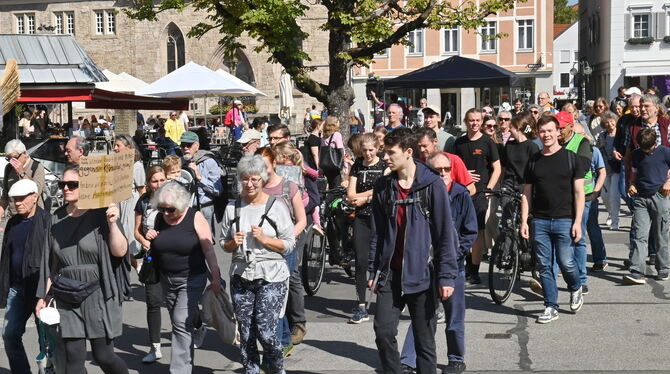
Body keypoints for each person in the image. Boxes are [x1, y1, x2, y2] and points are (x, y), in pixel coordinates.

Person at [369, 127, 459, 374]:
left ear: (408, 152)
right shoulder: (383, 186)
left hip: (423, 274)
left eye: (390, 152)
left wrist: (447, 276)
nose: (384, 157)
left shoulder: (432, 186)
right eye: (383, 152)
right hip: (391, 275)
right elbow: (377, 232)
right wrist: (372, 269)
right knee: (383, 332)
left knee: (424, 341)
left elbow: (445, 235)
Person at [35, 165, 130, 374]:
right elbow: (52, 265)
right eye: (62, 185)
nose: (66, 188)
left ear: (85, 186)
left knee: (104, 356)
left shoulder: (101, 214)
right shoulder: (56, 218)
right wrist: (43, 297)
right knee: (74, 360)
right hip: (67, 293)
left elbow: (120, 252)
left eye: (72, 184)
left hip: (98, 292)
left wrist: (113, 224)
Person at [399, 152, 478, 374]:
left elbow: (470, 231)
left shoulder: (460, 194)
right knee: (421, 314)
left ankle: (455, 359)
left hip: (452, 265)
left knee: (454, 315)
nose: (443, 174)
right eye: (437, 170)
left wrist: (454, 254)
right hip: (424, 265)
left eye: (446, 169)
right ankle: (409, 360)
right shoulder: (420, 192)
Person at [221, 155, 295, 374]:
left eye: (254, 179)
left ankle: (276, 368)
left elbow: (289, 244)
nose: (250, 184)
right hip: (241, 275)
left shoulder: (276, 206)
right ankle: (251, 370)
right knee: (246, 332)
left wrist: (266, 240)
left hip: (272, 275)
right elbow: (223, 244)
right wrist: (232, 243)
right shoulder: (232, 208)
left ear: (262, 179)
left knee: (266, 332)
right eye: (245, 179)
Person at [145, 181, 222, 373]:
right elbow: (156, 247)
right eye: (162, 208)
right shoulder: (159, 218)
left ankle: (180, 370)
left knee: (180, 322)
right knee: (180, 321)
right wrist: (150, 236)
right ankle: (191, 342)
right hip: (166, 278)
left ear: (180, 205)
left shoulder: (195, 217)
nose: (166, 213)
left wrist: (215, 276)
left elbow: (208, 249)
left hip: (192, 278)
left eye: (170, 209)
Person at [520, 115, 585, 324]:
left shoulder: (570, 158)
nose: (546, 135)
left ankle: (575, 287)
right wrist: (524, 221)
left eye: (550, 131)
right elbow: (526, 194)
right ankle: (550, 306)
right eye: (542, 131)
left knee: (566, 262)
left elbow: (579, 193)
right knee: (544, 266)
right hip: (539, 221)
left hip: (565, 219)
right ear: (538, 134)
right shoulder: (534, 160)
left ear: (558, 132)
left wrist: (577, 222)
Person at [257, 147, 309, 348]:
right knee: (270, 295)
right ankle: (282, 336)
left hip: (285, 246)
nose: (262, 170)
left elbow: (301, 220)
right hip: (263, 248)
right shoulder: (256, 188)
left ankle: (291, 329)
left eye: (265, 166)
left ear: (274, 164)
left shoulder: (288, 187)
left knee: (286, 286)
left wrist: (287, 240)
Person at [0, 180, 50, 374]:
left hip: (41, 291)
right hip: (17, 289)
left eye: (22, 199)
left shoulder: (48, 221)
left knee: (45, 340)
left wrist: (47, 293)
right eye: (15, 200)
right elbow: (6, 256)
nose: (17, 203)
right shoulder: (13, 223)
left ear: (35, 197)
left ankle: (47, 371)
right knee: (10, 334)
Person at [453, 108, 501, 284]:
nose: (474, 123)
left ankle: (474, 271)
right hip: (461, 192)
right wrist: (463, 174)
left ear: (481, 122)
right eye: (471, 120)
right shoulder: (458, 143)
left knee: (477, 232)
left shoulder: (488, 142)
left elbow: (497, 168)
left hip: (480, 192)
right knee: (460, 230)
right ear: (465, 121)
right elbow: (451, 168)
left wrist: (489, 188)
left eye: (477, 120)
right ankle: (463, 266)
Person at [346, 133, 386, 324]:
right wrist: (368, 195)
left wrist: (366, 197)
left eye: (371, 150)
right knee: (361, 261)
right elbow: (350, 195)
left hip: (382, 217)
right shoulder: (357, 165)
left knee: (383, 260)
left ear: (378, 148)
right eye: (364, 150)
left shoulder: (384, 166)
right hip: (361, 218)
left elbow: (385, 188)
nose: (368, 154)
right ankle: (361, 305)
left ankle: (388, 299)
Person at [623, 128, 670, 284]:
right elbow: (634, 171)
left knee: (661, 234)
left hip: (660, 196)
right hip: (641, 198)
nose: (645, 151)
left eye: (648, 149)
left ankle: (663, 268)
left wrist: (668, 182)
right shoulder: (636, 154)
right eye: (642, 148)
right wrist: (631, 184)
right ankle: (637, 270)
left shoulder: (664, 152)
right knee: (639, 234)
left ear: (655, 143)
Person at [555, 111, 593, 294]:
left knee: (577, 238)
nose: (559, 131)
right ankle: (549, 278)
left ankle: (581, 279)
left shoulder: (582, 142)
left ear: (571, 126)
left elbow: (583, 166)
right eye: (557, 127)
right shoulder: (553, 142)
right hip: (560, 197)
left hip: (581, 197)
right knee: (555, 238)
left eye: (562, 127)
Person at [133, 166, 167, 363]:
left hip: (172, 257)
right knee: (153, 301)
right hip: (151, 257)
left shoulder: (173, 198)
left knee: (178, 301)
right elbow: (136, 230)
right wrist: (143, 239)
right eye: (155, 181)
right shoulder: (143, 201)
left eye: (162, 180)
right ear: (148, 183)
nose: (159, 184)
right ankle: (155, 347)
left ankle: (198, 325)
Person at [574, 122, 608, 272]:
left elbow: (602, 172)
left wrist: (596, 191)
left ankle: (600, 259)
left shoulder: (593, 151)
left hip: (589, 196)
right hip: (573, 197)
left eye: (579, 135)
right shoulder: (568, 150)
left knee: (592, 227)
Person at [180, 131, 224, 236]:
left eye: (188, 145)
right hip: (185, 210)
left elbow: (218, 190)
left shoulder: (208, 161)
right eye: (182, 145)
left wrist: (199, 178)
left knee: (206, 243)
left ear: (196, 146)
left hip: (204, 209)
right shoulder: (180, 162)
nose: (185, 148)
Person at [113, 135, 146, 265]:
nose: (115, 148)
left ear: (128, 148)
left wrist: (143, 211)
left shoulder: (136, 165)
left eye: (118, 146)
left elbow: (141, 189)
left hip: (131, 203)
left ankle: (139, 268)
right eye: (114, 145)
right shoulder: (115, 165)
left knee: (128, 237)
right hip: (118, 202)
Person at [415, 127, 475, 196]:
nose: (422, 150)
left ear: (435, 141)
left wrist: (451, 200)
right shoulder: (418, 164)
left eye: (425, 146)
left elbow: (471, 189)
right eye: (419, 146)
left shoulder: (454, 160)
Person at [0, 139, 46, 218]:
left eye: (14, 158)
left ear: (24, 153)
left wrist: (21, 173)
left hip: (34, 217)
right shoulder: (9, 168)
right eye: (8, 159)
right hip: (14, 217)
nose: (12, 162)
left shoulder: (37, 167)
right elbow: (5, 196)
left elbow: (36, 192)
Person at [598, 111, 622, 230]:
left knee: (614, 196)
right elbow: (596, 150)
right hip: (605, 169)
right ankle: (610, 214)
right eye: (607, 122)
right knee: (604, 196)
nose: (610, 124)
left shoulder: (620, 135)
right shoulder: (602, 135)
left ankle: (615, 221)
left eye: (612, 121)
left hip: (617, 168)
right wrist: (600, 145)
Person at [321, 117, 345, 188]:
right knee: (337, 186)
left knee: (330, 185)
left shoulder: (324, 136)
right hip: (335, 164)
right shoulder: (336, 135)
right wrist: (345, 164)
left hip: (326, 165)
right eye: (337, 121)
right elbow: (340, 149)